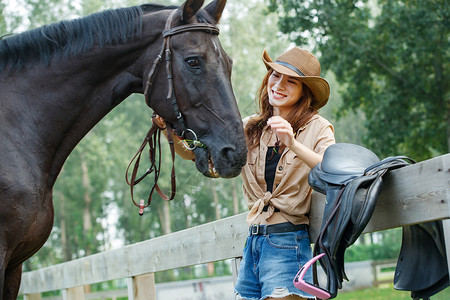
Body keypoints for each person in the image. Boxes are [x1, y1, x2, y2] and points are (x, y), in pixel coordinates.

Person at [153, 46, 335, 300]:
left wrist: (293, 143)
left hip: (287, 242)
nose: (278, 84)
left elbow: (331, 170)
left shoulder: (318, 128)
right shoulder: (250, 127)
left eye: (290, 81)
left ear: (305, 92)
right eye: (275, 75)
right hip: (253, 244)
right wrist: (167, 130)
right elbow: (198, 155)